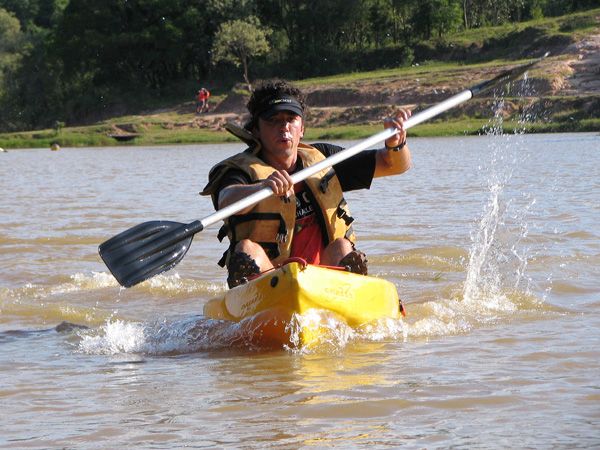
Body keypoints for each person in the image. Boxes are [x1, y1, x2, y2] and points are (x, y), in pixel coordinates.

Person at [201, 79, 411, 288]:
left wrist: (396, 143)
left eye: (291, 119)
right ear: (256, 130)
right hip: (270, 282)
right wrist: (263, 187)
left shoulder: (323, 158)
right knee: (247, 248)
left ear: (302, 128)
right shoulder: (238, 170)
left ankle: (348, 298)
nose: (284, 127)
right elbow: (226, 201)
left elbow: (394, 165)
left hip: (323, 280)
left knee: (342, 246)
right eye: (273, 120)